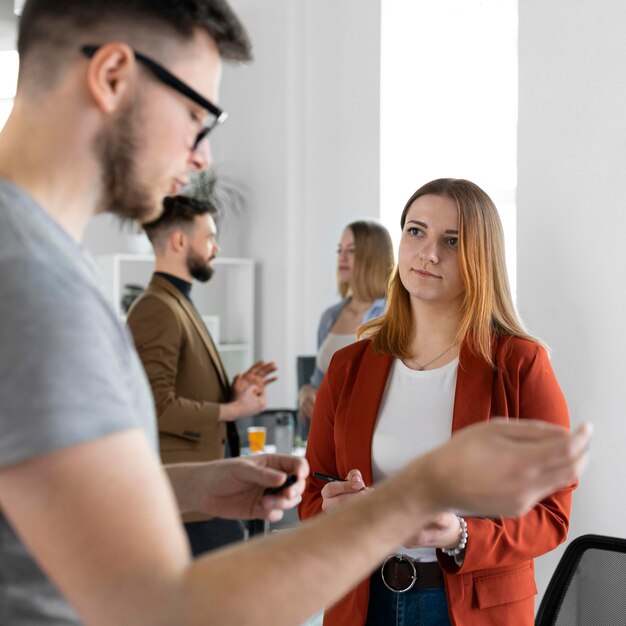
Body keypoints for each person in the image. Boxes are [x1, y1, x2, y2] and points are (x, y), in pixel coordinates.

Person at [0, 2, 591, 626]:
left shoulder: (39, 265)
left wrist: (193, 485)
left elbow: (38, 495)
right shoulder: (38, 288)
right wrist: (413, 495)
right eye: (198, 115)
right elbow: (160, 605)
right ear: (113, 75)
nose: (201, 157)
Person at [300, 178, 574, 626]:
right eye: (416, 231)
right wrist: (332, 508)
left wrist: (460, 534)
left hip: (469, 609)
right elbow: (314, 491)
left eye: (453, 240)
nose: (429, 253)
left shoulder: (520, 364)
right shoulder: (349, 365)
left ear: (479, 258)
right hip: (364, 602)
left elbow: (552, 513)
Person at [127, 194, 277, 555]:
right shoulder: (156, 308)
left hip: (205, 498)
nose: (216, 247)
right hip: (187, 507)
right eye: (209, 237)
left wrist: (231, 393)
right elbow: (155, 405)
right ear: (180, 241)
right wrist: (233, 411)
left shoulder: (177, 302)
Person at [299, 219, 394, 424]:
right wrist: (306, 393)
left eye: (351, 250)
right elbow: (319, 381)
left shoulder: (393, 315)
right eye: (340, 250)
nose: (342, 257)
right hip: (329, 430)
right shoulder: (330, 317)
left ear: (373, 257)